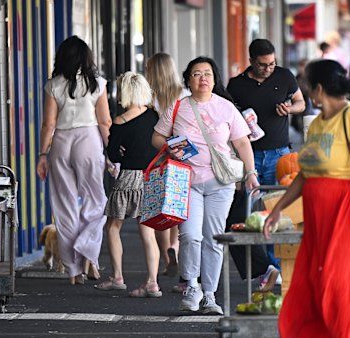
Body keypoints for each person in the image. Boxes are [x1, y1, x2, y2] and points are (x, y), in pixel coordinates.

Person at [263, 59, 350, 338]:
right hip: (319, 218)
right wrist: (278, 210)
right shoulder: (315, 125)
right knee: (327, 285)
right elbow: (305, 174)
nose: (302, 89)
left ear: (317, 88)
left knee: (337, 284)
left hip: (348, 214)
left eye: (306, 84)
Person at [152, 56, 259, 315]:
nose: (203, 78)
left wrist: (251, 172)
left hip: (220, 183)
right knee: (190, 235)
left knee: (213, 238)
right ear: (188, 79)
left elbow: (242, 142)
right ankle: (191, 286)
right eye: (197, 74)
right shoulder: (177, 108)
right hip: (185, 181)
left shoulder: (226, 108)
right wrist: (170, 149)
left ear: (214, 79)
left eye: (208, 74)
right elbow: (157, 137)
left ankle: (210, 294)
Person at [36, 36, 111, 286]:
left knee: (64, 205)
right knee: (96, 201)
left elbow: (49, 124)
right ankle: (88, 248)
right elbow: (105, 122)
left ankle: (73, 271)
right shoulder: (97, 84)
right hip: (88, 140)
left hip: (61, 143)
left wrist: (42, 154)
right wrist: (111, 154)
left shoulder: (53, 85)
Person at [227, 38, 305, 277]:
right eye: (263, 65)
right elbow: (229, 118)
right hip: (248, 156)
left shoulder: (284, 76)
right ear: (251, 62)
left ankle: (278, 268)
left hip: (280, 154)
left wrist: (290, 109)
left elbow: (301, 103)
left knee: (277, 212)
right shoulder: (236, 85)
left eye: (272, 64)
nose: (268, 69)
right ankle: (263, 270)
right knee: (244, 216)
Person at [94, 72, 163, 297]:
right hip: (150, 176)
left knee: (113, 227)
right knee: (148, 232)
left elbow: (113, 154)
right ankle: (152, 282)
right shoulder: (154, 116)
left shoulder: (120, 122)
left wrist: (123, 151)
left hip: (128, 178)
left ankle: (117, 277)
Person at [145, 52, 190, 280]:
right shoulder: (184, 95)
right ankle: (176, 246)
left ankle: (165, 258)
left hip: (157, 156)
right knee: (177, 205)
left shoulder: (148, 98)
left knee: (159, 208)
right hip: (180, 154)